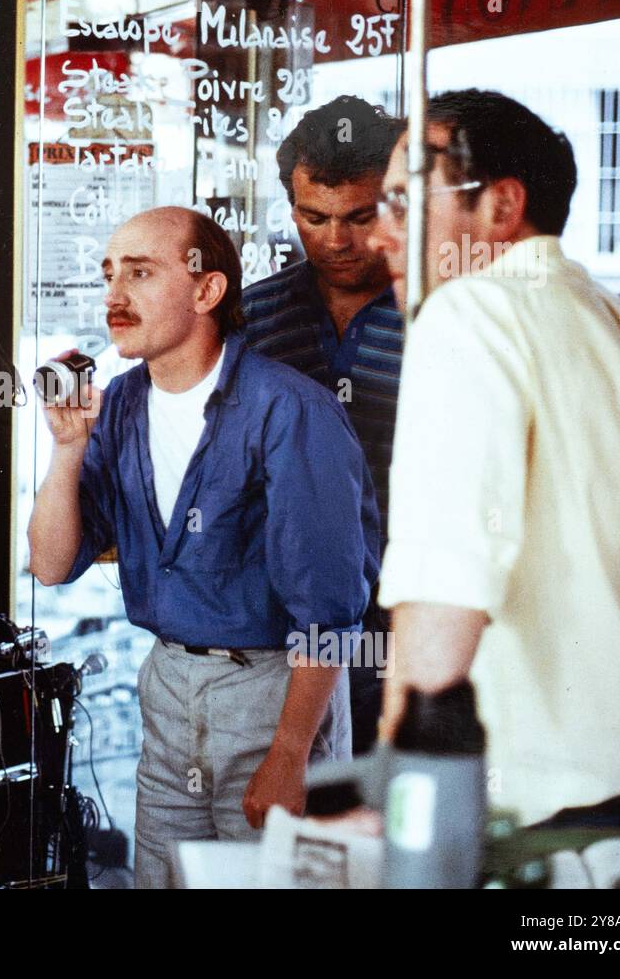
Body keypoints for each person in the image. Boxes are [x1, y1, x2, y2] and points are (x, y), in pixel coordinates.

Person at [367, 89, 620, 830]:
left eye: (402, 200)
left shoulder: (471, 312)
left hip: (543, 810)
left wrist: (397, 789)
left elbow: (444, 583)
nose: (379, 236)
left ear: (501, 206)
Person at [27, 206, 378, 888]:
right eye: (109, 275)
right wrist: (67, 449)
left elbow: (331, 610)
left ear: (207, 290)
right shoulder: (120, 405)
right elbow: (49, 563)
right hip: (168, 689)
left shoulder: (289, 410)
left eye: (140, 272)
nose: (114, 296)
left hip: (273, 689)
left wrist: (291, 752)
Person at [241, 95, 404, 753]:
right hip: (280, 635)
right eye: (314, 217)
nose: (335, 239)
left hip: (410, 625)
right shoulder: (250, 320)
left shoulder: (442, 314)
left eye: (359, 217)